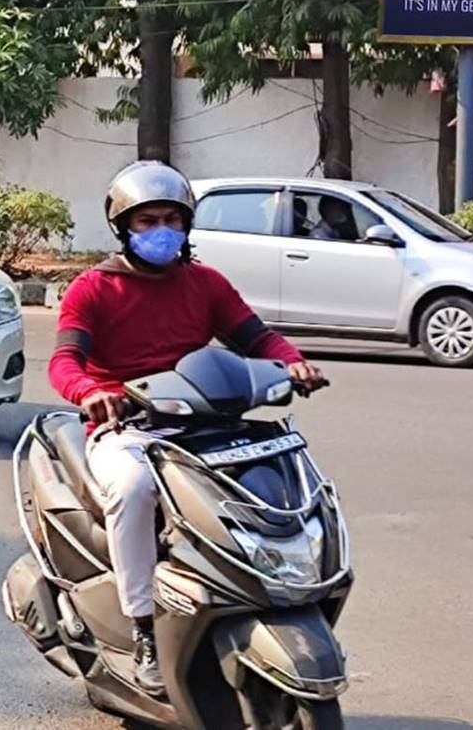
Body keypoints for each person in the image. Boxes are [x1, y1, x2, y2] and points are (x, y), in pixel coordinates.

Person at [48, 161, 327, 697]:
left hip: (203, 425)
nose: (160, 232)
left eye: (171, 220)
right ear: (123, 229)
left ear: (187, 226)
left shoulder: (205, 284)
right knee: (132, 490)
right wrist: (92, 393)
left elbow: (257, 337)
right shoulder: (93, 288)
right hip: (127, 428)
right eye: (146, 221)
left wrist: (294, 363)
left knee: (279, 473)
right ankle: (144, 625)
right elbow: (64, 363)